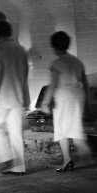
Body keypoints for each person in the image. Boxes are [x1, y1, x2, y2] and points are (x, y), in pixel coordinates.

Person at [40, 31, 92, 172]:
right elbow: (85, 82)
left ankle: (68, 159)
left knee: (61, 127)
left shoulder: (57, 63)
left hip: (64, 95)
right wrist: (86, 101)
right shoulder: (77, 61)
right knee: (74, 123)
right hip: (78, 93)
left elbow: (52, 84)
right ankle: (78, 143)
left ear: (54, 47)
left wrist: (45, 102)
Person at [0, 21, 30, 176]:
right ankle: (19, 167)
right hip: (18, 96)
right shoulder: (20, 49)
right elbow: (25, 74)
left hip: (2, 98)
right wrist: (26, 99)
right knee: (16, 133)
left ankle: (6, 156)